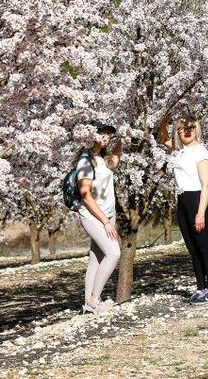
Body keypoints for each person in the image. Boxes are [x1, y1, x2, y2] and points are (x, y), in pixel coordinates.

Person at [157, 114, 208, 304]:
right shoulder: (180, 151)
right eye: (183, 128)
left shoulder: (201, 151)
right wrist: (163, 121)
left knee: (203, 244)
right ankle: (200, 287)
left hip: (197, 198)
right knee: (192, 246)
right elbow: (162, 136)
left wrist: (201, 212)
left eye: (191, 128)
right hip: (182, 198)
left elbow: (206, 184)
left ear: (196, 129)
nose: (187, 131)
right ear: (178, 132)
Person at [76, 121, 122, 314]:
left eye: (108, 133)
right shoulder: (85, 161)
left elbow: (115, 159)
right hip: (94, 216)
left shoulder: (101, 159)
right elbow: (85, 195)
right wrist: (105, 222)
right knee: (114, 253)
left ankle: (88, 302)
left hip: (107, 215)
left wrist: (123, 137)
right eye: (100, 132)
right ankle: (95, 299)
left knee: (96, 257)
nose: (105, 136)